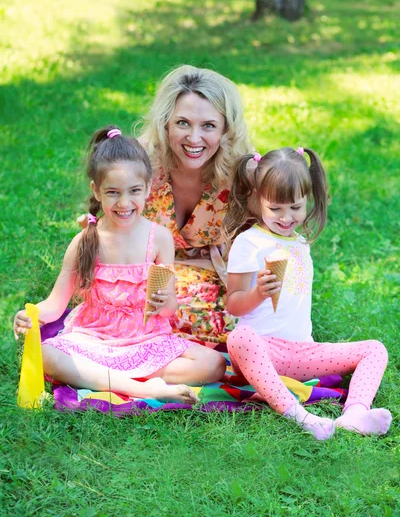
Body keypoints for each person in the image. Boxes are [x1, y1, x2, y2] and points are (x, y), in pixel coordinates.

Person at [14, 126, 226, 404]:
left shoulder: (159, 238)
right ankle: (146, 388)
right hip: (95, 339)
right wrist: (32, 315)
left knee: (214, 364)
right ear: (97, 191)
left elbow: (170, 308)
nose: (124, 203)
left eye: (134, 191)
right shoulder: (85, 241)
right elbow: (55, 303)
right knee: (47, 355)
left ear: (149, 188)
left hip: (145, 339)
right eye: (113, 192)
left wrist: (165, 303)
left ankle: (105, 378)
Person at [223, 147, 392, 440]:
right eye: (276, 208)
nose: (287, 217)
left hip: (302, 352)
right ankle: (301, 417)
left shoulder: (301, 243)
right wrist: (258, 293)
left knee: (375, 349)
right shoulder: (249, 243)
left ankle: (354, 414)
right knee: (238, 338)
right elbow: (234, 305)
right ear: (257, 199)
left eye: (296, 207)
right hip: (261, 351)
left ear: (307, 199)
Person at [139, 65, 253, 343]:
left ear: (227, 129)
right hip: (144, 275)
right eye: (182, 123)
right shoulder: (140, 165)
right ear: (165, 123)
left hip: (215, 282)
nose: (193, 138)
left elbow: (261, 246)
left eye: (208, 126)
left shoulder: (244, 175)